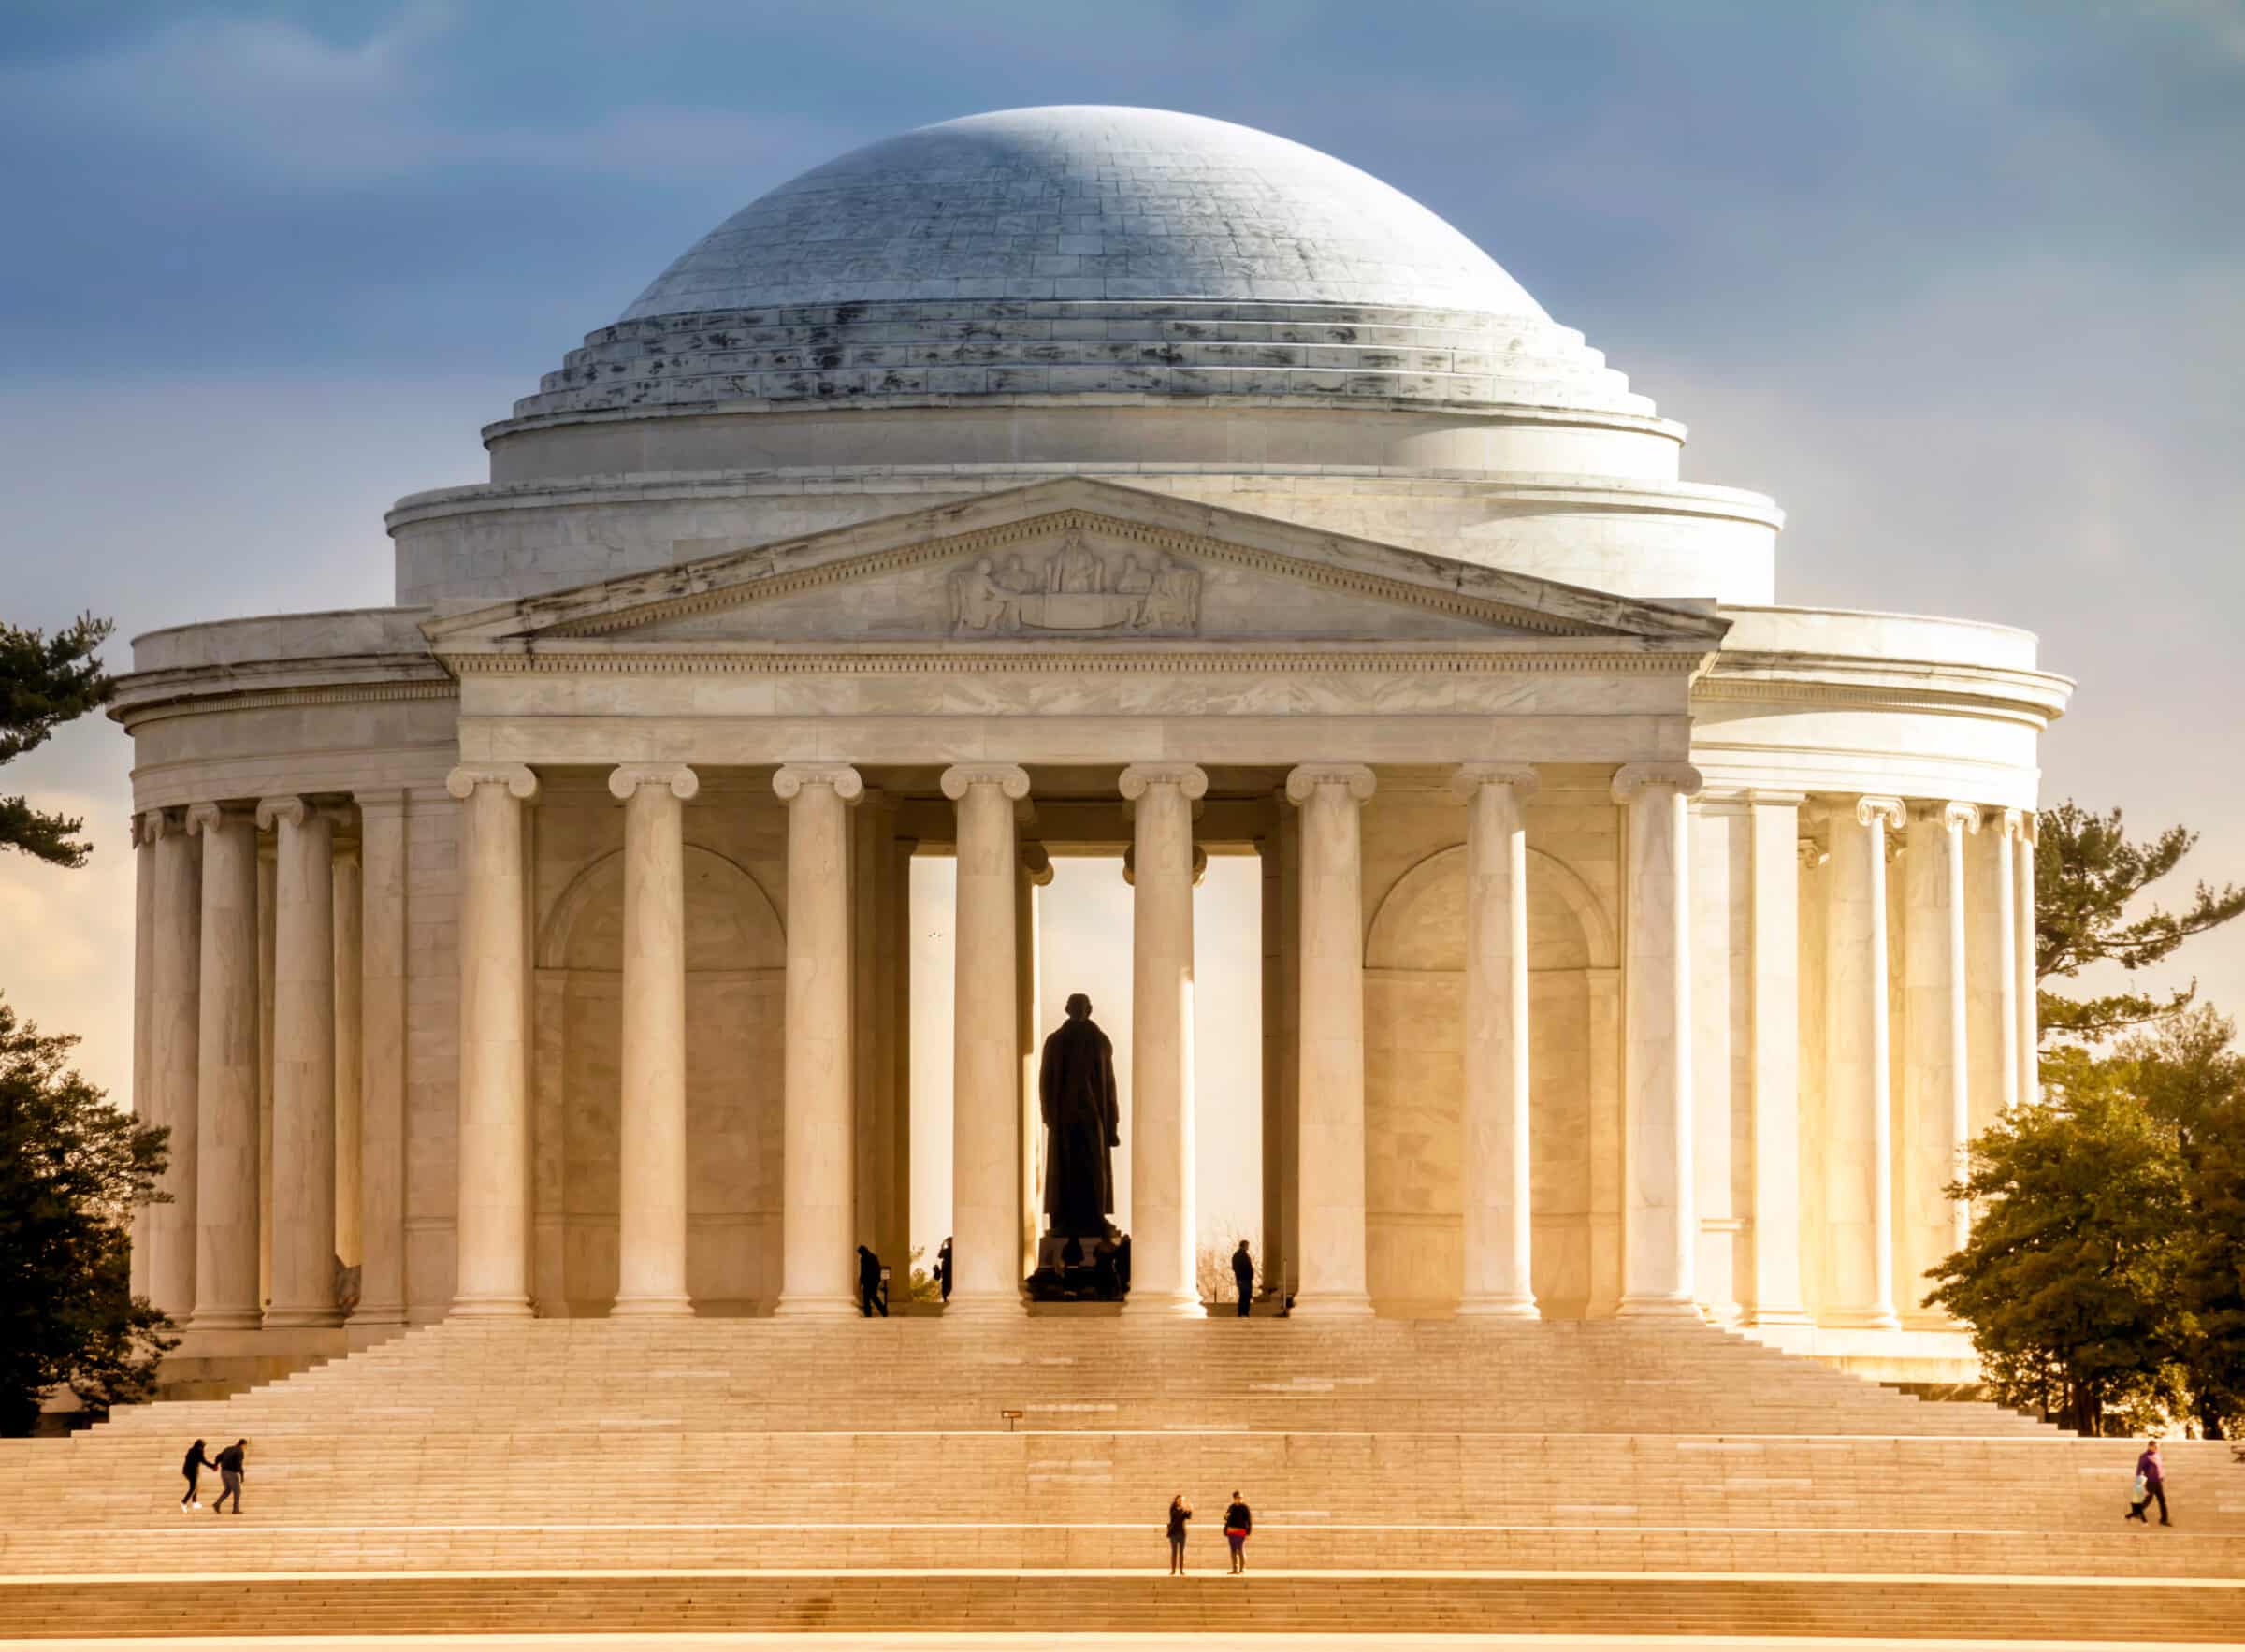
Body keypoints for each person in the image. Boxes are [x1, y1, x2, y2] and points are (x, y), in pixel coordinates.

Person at [2136, 1439, 2171, 1526]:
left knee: (2162, 1500)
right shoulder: (2144, 1456)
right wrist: (2140, 1484)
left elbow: (2160, 1467)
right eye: (2155, 1447)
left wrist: (2161, 1476)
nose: (2156, 1448)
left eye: (2157, 1447)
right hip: (2150, 1482)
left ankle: (2164, 1520)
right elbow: (2139, 1470)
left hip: (2158, 1481)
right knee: (2148, 1499)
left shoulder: (2157, 1455)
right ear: (2150, 1446)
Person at [211, 1439, 248, 1514]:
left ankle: (217, 1504)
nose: (245, 1448)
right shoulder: (240, 1451)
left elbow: (218, 1456)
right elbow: (239, 1465)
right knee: (237, 1491)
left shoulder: (228, 1448)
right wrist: (242, 1475)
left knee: (228, 1490)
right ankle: (235, 1509)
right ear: (243, 1445)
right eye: (245, 1446)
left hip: (223, 1472)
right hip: (231, 1473)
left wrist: (215, 1464)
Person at [1223, 1490, 1253, 1573]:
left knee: (1240, 1549)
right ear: (1234, 1498)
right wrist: (1225, 1517)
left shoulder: (1245, 1507)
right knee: (1233, 1550)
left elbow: (1249, 1520)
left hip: (1241, 1531)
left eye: (1241, 1497)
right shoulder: (1231, 1507)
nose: (1241, 1499)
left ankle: (1242, 1568)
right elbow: (1226, 1518)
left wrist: (1248, 1532)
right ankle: (1235, 1568)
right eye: (1239, 1497)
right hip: (1231, 1531)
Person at [180, 1439, 212, 1513]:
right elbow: (204, 1461)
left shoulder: (191, 1450)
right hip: (192, 1471)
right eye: (203, 1446)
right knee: (193, 1488)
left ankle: (194, 1503)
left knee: (195, 1486)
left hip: (188, 1470)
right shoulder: (199, 1451)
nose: (203, 1448)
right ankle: (183, 1503)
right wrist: (213, 1466)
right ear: (200, 1446)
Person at [1166, 1493, 1192, 1575]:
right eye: (1179, 1499)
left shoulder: (1182, 1509)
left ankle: (1181, 1570)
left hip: (1182, 1533)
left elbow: (1188, 1517)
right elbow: (1176, 1516)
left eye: (1181, 1500)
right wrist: (1183, 1510)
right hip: (1174, 1533)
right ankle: (1173, 1570)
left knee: (1181, 1552)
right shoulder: (1173, 1509)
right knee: (1174, 1552)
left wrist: (1189, 1510)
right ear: (1176, 1500)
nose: (1180, 1501)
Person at [857, 1245, 887, 1317]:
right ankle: (868, 1314)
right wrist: (861, 1281)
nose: (860, 1254)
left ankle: (883, 1311)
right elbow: (863, 1271)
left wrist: (877, 1280)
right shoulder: (863, 1259)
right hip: (867, 1281)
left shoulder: (873, 1257)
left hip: (872, 1281)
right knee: (866, 1298)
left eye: (861, 1252)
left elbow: (877, 1269)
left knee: (873, 1297)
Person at [1231, 1240, 1254, 1318]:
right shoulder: (1240, 1255)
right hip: (1244, 1279)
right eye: (1247, 1245)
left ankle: (1243, 1313)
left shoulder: (1239, 1254)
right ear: (1244, 1245)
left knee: (1244, 1296)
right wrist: (1240, 1278)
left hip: (1244, 1279)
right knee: (1245, 1296)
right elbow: (1237, 1268)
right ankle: (1243, 1313)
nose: (1248, 1247)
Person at [936, 1237, 953, 1304]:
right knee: (945, 1287)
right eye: (948, 1241)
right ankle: (945, 1300)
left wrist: (942, 1246)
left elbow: (940, 1256)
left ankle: (946, 1300)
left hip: (949, 1271)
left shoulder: (950, 1250)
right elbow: (940, 1256)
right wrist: (942, 1246)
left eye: (949, 1241)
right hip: (946, 1271)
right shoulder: (947, 1250)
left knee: (947, 1286)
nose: (948, 1243)